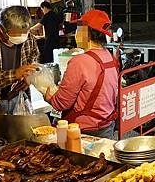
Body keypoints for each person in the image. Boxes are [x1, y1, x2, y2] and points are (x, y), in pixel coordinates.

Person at [44, 9, 118, 139]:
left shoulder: (79, 62)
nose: (75, 34)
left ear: (86, 32)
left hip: (80, 131)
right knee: (101, 158)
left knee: (60, 155)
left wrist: (49, 96)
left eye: (78, 29)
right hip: (106, 127)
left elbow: (62, 104)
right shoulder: (110, 58)